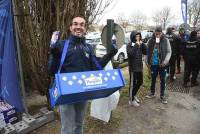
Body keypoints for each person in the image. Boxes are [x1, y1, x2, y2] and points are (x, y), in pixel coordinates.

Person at [48, 16, 118, 134]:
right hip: (66, 94)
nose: (78, 27)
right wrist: (54, 54)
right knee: (67, 129)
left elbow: (97, 68)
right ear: (71, 28)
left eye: (82, 24)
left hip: (83, 94)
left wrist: (110, 53)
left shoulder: (88, 48)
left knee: (79, 125)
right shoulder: (61, 45)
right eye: (75, 24)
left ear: (85, 28)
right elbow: (51, 71)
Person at [145, 27, 172, 104]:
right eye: (156, 33)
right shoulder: (150, 41)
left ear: (162, 33)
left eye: (159, 34)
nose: (157, 35)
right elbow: (146, 52)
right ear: (154, 33)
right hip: (153, 64)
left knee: (163, 80)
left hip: (162, 64)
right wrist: (146, 62)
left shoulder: (165, 40)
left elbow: (169, 52)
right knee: (153, 79)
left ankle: (162, 96)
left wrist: (165, 61)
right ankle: (152, 93)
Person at [127, 32, 147, 107]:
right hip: (133, 68)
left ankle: (133, 94)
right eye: (136, 36)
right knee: (132, 84)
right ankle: (131, 100)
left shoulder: (140, 44)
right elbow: (131, 54)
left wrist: (143, 44)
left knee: (140, 82)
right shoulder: (129, 45)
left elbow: (146, 52)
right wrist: (136, 45)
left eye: (139, 36)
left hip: (139, 67)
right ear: (133, 37)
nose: (138, 38)